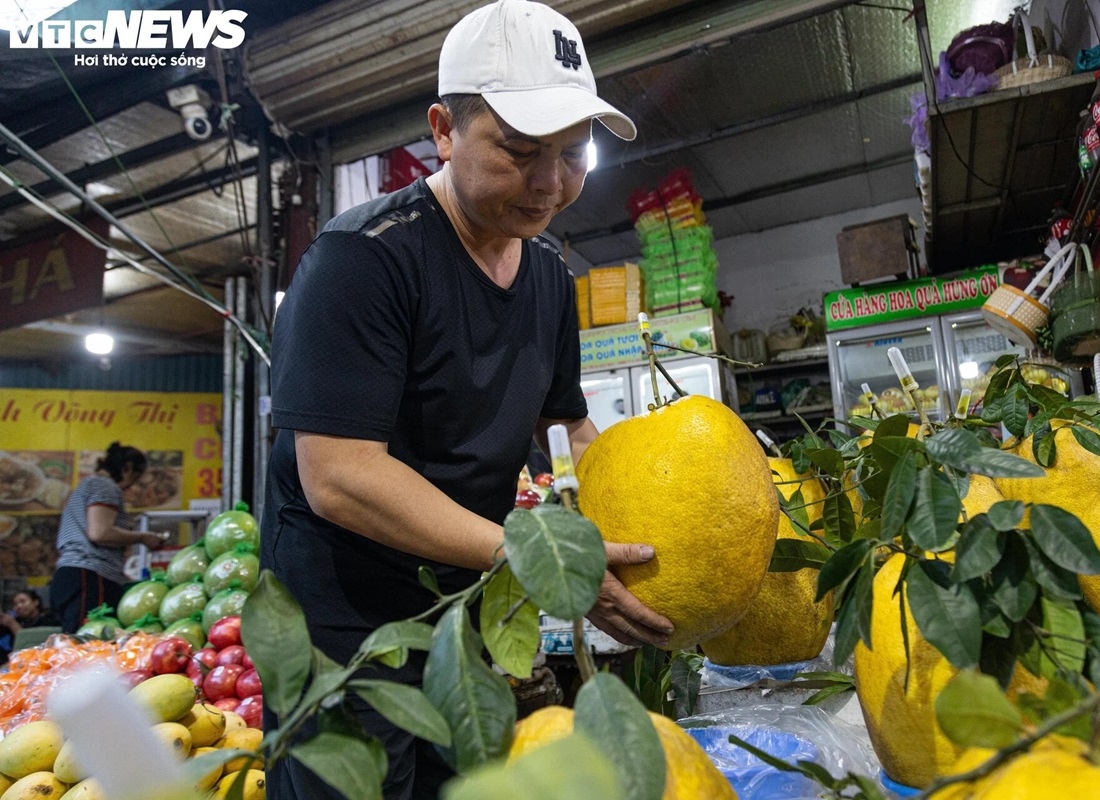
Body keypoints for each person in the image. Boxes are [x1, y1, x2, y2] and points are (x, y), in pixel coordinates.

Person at [262, 1, 674, 797]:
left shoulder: (548, 274)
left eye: (573, 153)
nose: (551, 182)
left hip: (465, 602)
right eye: (518, 150)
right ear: (444, 131)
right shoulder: (362, 261)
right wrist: (543, 562)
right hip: (346, 624)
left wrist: (659, 517)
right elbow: (339, 476)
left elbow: (571, 426)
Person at [48, 442, 163, 633]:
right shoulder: (105, 486)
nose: (131, 486)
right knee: (91, 642)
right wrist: (143, 537)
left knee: (78, 642)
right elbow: (99, 533)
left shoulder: (87, 486)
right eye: (135, 478)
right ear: (127, 469)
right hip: (89, 576)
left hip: (74, 575)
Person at [0, 590, 60, 663]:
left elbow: (31, 645)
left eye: (23, 602)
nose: (19, 606)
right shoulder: (15, 621)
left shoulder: (49, 621)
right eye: (15, 604)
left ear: (35, 602)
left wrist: (13, 625)